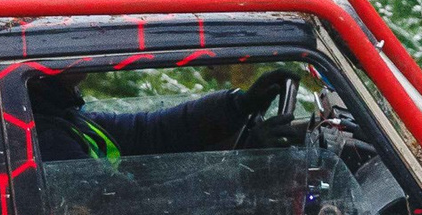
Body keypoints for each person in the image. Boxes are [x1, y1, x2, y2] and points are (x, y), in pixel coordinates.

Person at [31, 69, 301, 163]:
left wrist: (238, 105)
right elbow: (135, 207)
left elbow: (150, 131)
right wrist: (248, 161)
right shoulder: (45, 139)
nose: (85, 48)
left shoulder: (61, 115)